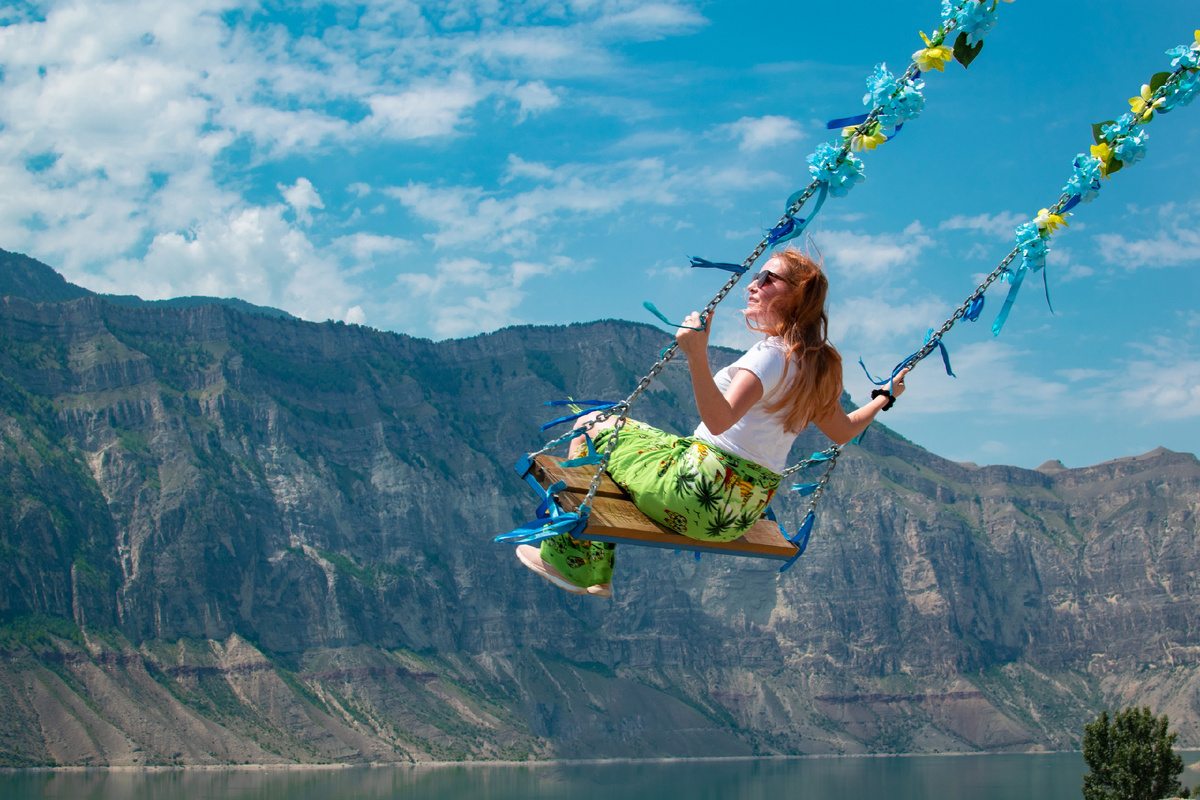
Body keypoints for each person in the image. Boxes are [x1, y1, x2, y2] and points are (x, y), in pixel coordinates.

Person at [515, 247, 908, 598]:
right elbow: (843, 431)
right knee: (637, 439)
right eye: (756, 277)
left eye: (768, 279)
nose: (754, 285)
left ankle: (572, 562)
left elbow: (719, 421)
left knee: (594, 423)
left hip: (694, 488)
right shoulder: (814, 368)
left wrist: (695, 354)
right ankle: (594, 572)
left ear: (797, 295)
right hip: (735, 516)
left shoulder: (770, 355)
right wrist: (882, 398)